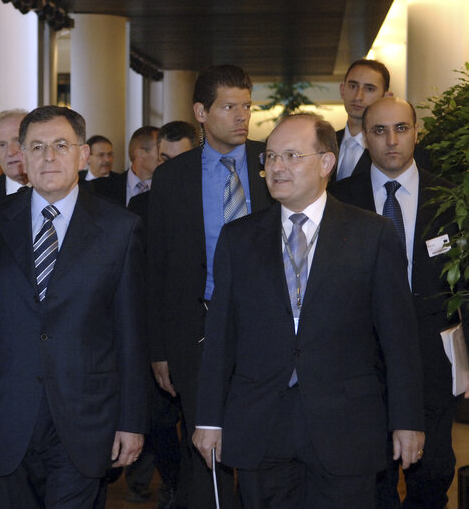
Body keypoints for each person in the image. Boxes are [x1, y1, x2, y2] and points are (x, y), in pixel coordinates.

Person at [193, 113, 425, 509]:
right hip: (260, 424)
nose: (277, 167)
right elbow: (220, 337)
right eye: (270, 157)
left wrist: (407, 420)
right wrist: (209, 418)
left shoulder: (372, 234)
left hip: (345, 426)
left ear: (326, 163)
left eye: (291, 155)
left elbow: (399, 337)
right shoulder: (239, 238)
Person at [0, 105, 149, 508]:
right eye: (37, 147)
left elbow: (130, 333)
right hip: (6, 415)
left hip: (85, 417)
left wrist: (131, 421)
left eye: (61, 146)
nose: (48, 157)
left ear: (82, 155)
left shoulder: (120, 229)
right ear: (21, 158)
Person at [331, 96, 465, 509]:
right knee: (374, 475)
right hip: (360, 358)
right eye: (379, 130)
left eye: (401, 129)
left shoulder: (451, 198)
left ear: (416, 133)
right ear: (364, 138)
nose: (392, 140)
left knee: (434, 470)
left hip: (431, 356)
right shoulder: (336, 200)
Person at [147, 64, 272, 508]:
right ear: (201, 111)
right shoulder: (172, 177)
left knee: (262, 440)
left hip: (268, 326)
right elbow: (157, 267)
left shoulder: (271, 162)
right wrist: (160, 348)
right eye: (229, 107)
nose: (242, 116)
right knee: (204, 442)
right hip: (195, 329)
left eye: (247, 106)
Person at [335, 59, 391, 181]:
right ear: (342, 90)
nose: (358, 96)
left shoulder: (392, 148)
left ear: (385, 97)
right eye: (353, 86)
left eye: (369, 89)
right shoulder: (324, 144)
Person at [92, 126, 159, 207]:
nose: (164, 157)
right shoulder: (101, 188)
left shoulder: (169, 190)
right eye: (159, 150)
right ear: (140, 153)